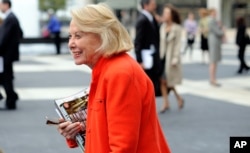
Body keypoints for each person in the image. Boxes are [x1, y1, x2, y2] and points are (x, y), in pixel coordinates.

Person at [56, 3, 171, 153]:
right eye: (70, 36)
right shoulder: (108, 69)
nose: (71, 43)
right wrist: (78, 130)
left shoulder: (119, 73)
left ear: (102, 35)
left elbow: (123, 148)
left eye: (78, 36)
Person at [159, 4, 184, 113]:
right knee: (163, 81)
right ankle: (167, 102)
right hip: (162, 57)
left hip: (171, 59)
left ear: (171, 15)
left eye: (167, 13)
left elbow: (178, 45)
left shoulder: (177, 28)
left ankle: (176, 99)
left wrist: (175, 58)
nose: (165, 15)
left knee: (168, 81)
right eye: (164, 13)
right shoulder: (162, 27)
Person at [134, 0, 161, 96]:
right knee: (147, 84)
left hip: (152, 56)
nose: (155, 7)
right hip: (146, 58)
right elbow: (138, 42)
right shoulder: (142, 20)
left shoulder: (151, 18)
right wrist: (140, 61)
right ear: (146, 5)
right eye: (153, 4)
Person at [0, 0, 22, 110]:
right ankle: (12, 97)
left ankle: (11, 99)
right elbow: (21, 33)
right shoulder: (12, 17)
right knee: (7, 77)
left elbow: (3, 38)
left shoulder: (10, 18)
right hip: (9, 54)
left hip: (6, 55)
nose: (0, 7)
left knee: (7, 78)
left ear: (6, 5)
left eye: (1, 5)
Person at [207, 8, 225, 86]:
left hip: (215, 42)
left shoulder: (214, 21)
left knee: (214, 62)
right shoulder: (211, 21)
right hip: (214, 42)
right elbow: (218, 32)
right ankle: (212, 79)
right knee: (213, 62)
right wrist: (222, 30)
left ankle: (213, 78)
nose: (215, 14)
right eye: (214, 12)